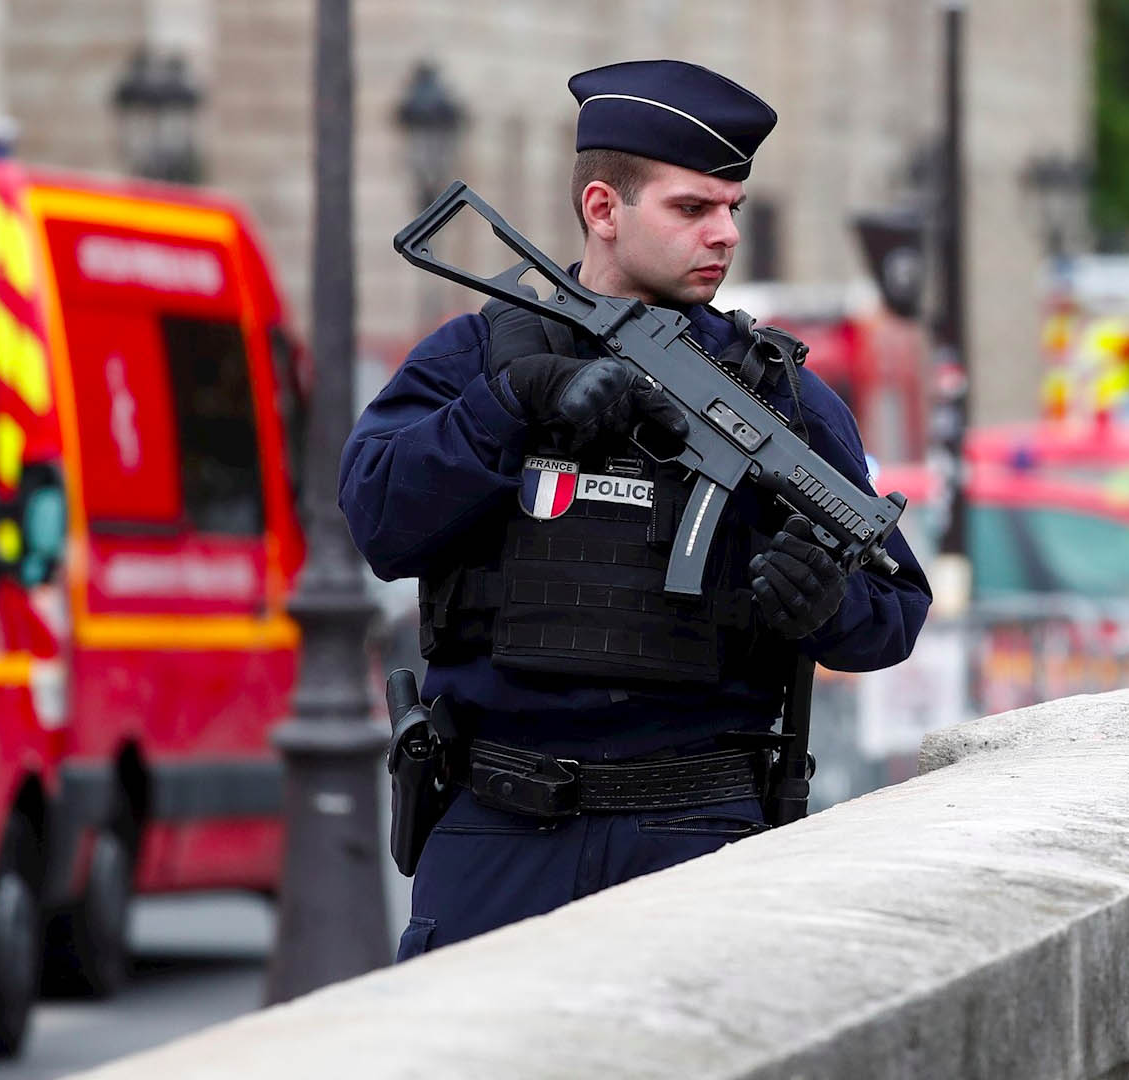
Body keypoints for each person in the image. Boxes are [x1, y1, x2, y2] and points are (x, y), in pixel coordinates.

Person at [340, 59, 930, 961]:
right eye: (692, 209)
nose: (725, 233)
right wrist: (513, 406)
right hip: (501, 823)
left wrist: (825, 604)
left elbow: (895, 611)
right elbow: (379, 520)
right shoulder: (478, 355)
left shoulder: (782, 398)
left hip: (696, 832)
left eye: (733, 207)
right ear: (602, 209)